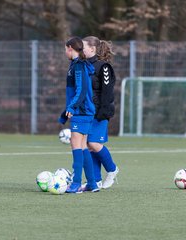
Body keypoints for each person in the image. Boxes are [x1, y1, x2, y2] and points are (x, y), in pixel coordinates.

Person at [58, 36, 99, 193]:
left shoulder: (79, 66)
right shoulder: (76, 65)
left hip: (81, 111)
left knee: (76, 146)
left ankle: (75, 184)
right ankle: (92, 183)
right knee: (83, 147)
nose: (65, 52)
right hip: (83, 110)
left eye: (65, 49)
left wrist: (73, 107)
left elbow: (81, 90)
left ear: (70, 48)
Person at [82, 36, 119, 189]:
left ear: (92, 48)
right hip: (86, 112)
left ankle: (112, 169)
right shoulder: (83, 65)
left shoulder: (104, 67)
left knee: (94, 143)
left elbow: (107, 91)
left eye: (83, 47)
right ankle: (95, 180)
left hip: (99, 112)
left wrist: (104, 111)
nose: (80, 49)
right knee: (88, 146)